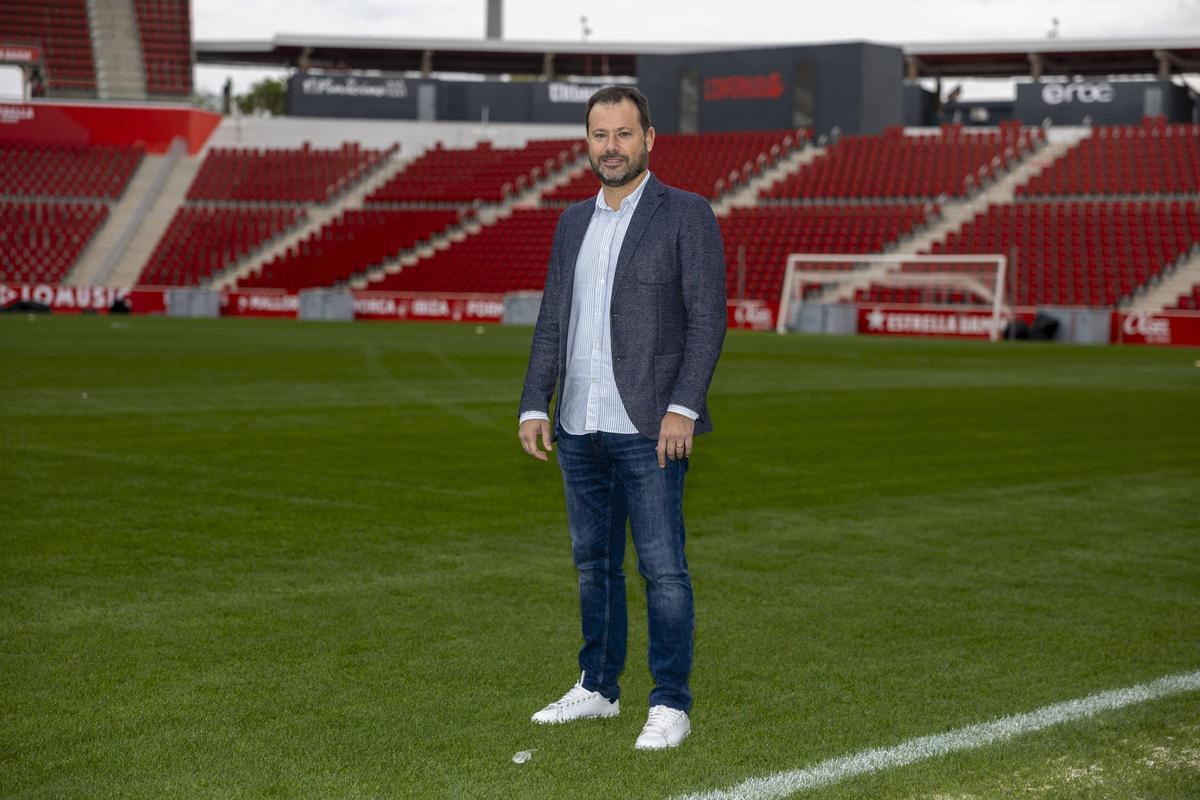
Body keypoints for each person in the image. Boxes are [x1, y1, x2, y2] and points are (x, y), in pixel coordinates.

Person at [517, 85, 727, 750]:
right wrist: (533, 401)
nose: (611, 147)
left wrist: (682, 407)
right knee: (593, 566)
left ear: (649, 139)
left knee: (663, 569)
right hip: (579, 424)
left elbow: (707, 319)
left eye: (623, 134)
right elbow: (553, 317)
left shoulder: (686, 214)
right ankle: (598, 688)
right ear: (588, 142)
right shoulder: (571, 223)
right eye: (599, 135)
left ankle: (670, 702)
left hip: (651, 427)